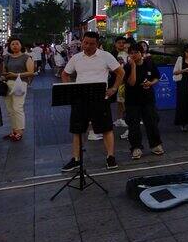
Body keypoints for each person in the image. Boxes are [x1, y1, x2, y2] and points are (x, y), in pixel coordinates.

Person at [60, 32, 124, 171]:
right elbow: (65, 74)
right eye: (85, 43)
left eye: (91, 43)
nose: (88, 46)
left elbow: (120, 72)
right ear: (82, 42)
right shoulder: (76, 58)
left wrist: (114, 88)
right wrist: (69, 89)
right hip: (80, 99)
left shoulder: (105, 56)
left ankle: (110, 157)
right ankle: (76, 159)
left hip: (100, 98)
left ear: (97, 44)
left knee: (106, 128)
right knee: (77, 130)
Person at [123, 45, 164, 160]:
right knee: (134, 125)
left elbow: (157, 77)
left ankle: (155, 145)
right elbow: (131, 82)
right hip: (132, 100)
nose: (134, 55)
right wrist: (133, 67)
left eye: (136, 52)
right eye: (131, 53)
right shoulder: (127, 67)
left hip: (148, 99)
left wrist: (150, 83)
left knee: (152, 122)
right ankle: (136, 147)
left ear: (142, 53)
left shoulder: (149, 64)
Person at [2, 38, 35, 141]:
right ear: (9, 46)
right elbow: (3, 71)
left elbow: (31, 72)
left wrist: (16, 75)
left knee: (17, 107)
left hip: (20, 84)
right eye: (12, 44)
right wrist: (4, 75)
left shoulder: (26, 57)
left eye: (17, 44)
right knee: (10, 109)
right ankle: (14, 130)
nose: (15, 46)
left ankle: (20, 131)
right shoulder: (7, 57)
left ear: (21, 45)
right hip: (8, 84)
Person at [112, 36, 129, 132]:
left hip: (125, 80)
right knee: (122, 101)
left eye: (123, 42)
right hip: (118, 81)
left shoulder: (127, 53)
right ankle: (126, 118)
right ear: (115, 44)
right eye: (119, 42)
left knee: (120, 101)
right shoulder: (112, 54)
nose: (121, 44)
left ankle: (119, 119)